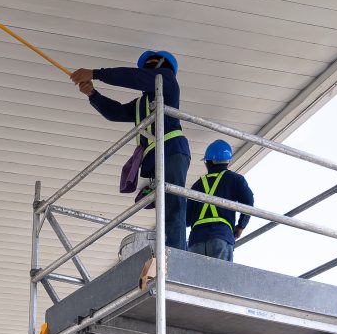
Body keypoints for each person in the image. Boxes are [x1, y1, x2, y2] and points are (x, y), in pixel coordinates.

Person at [70, 50, 191, 250]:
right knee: (165, 208)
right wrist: (93, 94)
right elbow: (115, 113)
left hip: (171, 150)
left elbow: (134, 77)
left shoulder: (167, 80)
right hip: (159, 157)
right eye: (148, 65)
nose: (149, 67)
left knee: (173, 207)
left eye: (154, 63)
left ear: (165, 67)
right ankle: (169, 251)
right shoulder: (142, 104)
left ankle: (176, 254)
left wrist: (96, 73)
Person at [185, 139, 253, 262]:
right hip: (221, 236)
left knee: (196, 280)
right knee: (219, 279)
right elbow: (248, 203)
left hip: (196, 239)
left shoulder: (197, 185)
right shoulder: (235, 179)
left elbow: (186, 220)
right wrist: (241, 226)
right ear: (227, 161)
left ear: (208, 162)